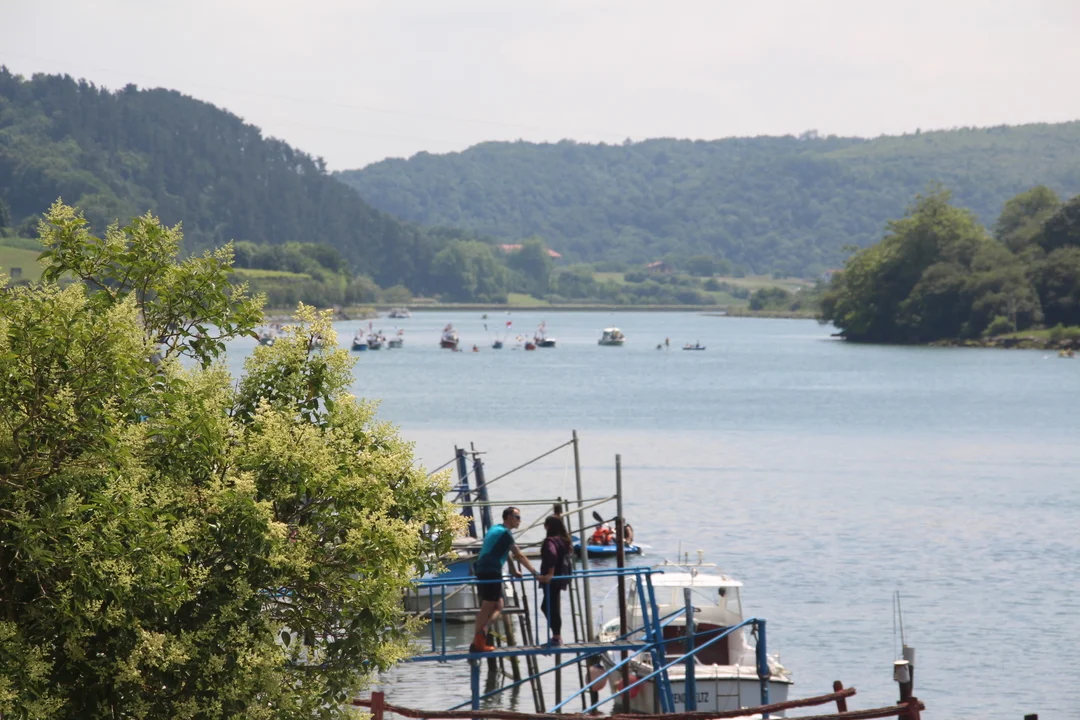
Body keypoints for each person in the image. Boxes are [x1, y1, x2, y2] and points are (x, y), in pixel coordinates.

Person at [470, 506, 538, 652]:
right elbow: (519, 555)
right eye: (517, 517)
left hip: (483, 569)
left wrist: (512, 570)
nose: (519, 521)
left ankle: (481, 634)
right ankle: (478, 641)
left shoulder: (496, 529)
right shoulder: (506, 534)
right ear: (509, 517)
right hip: (491, 570)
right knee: (487, 606)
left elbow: (505, 551)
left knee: (498, 605)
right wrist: (535, 572)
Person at [537, 515, 573, 646]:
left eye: (545, 525)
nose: (544, 527)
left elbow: (552, 555)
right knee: (551, 606)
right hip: (561, 577)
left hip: (552, 579)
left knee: (548, 606)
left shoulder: (550, 541)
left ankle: (557, 637)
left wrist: (549, 574)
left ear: (549, 526)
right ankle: (556, 636)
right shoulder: (564, 540)